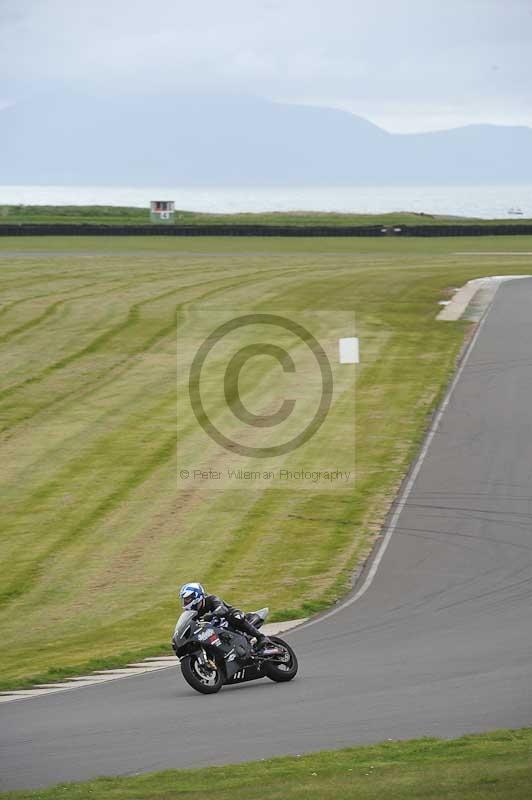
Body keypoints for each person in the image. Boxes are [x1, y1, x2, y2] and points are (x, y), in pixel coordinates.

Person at [178, 582, 270, 652]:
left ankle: (261, 637)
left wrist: (210, 616)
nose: (185, 602)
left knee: (235, 617)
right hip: (215, 628)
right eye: (184, 599)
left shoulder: (211, 599)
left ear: (196, 595)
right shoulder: (194, 612)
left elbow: (222, 609)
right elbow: (190, 623)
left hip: (229, 617)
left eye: (187, 599)